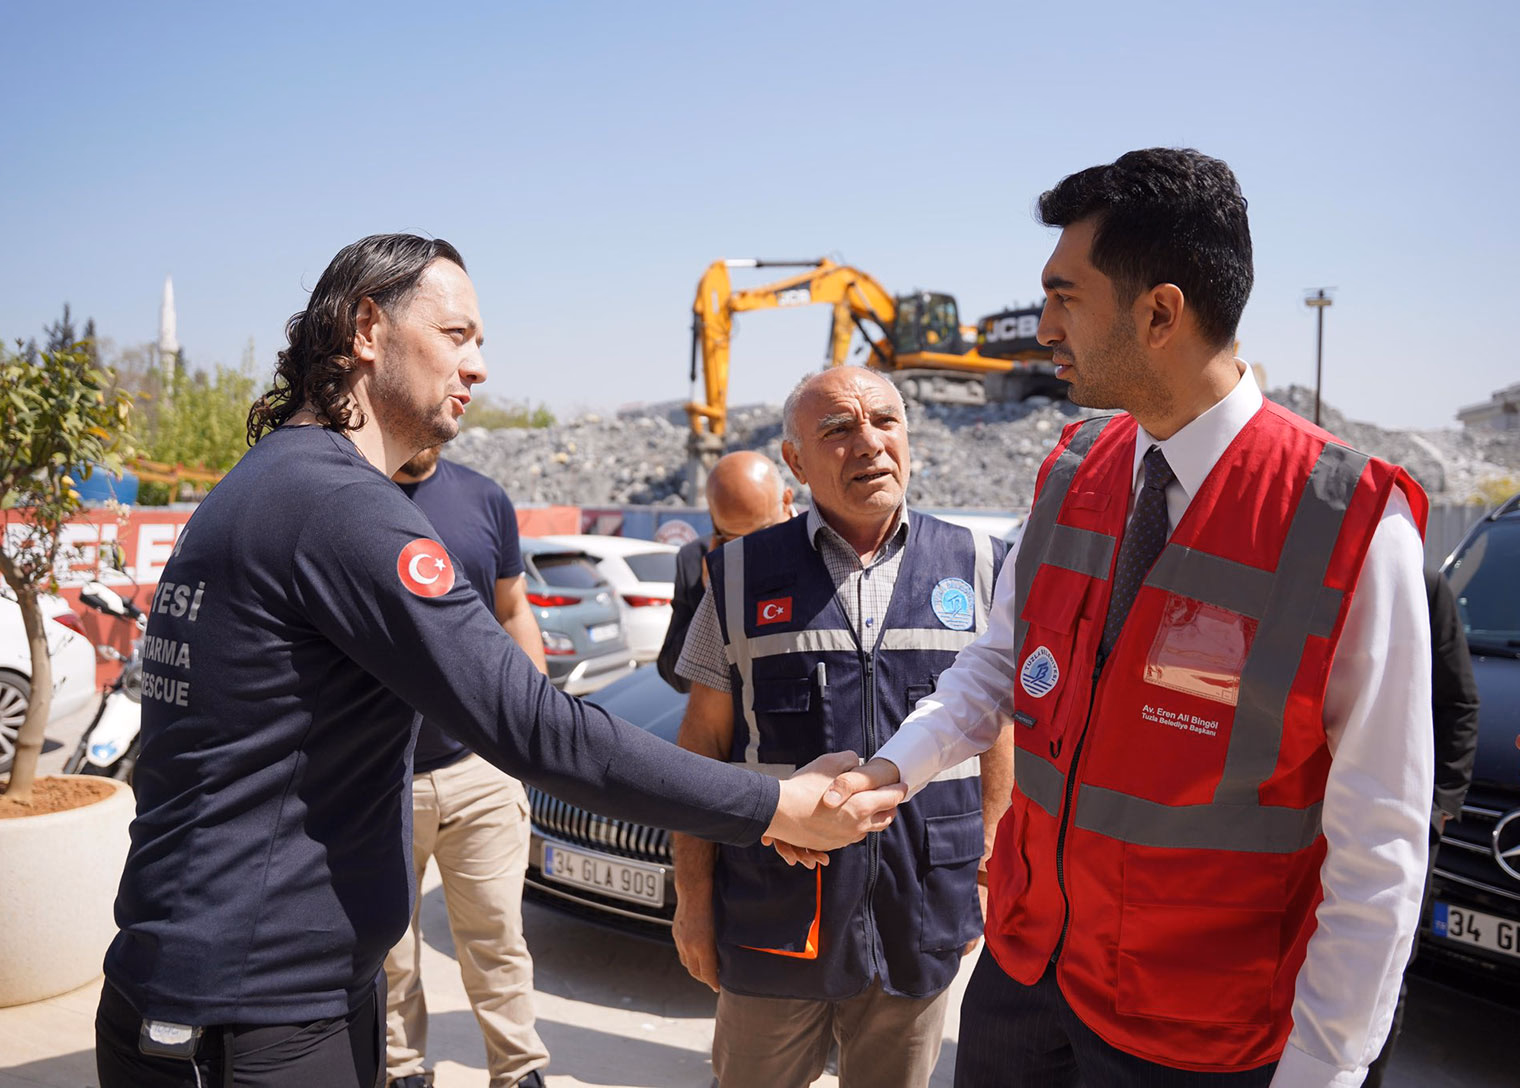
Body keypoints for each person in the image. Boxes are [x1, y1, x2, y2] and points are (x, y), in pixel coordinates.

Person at [93, 234, 906, 1088]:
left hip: (263, 1000)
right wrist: (776, 805)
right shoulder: (339, 506)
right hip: (248, 1021)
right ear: (367, 327)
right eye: (456, 334)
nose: (477, 365)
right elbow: (537, 727)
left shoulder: (280, 484)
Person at [817, 149, 1435, 1087]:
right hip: (1029, 982)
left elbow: (1381, 839)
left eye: (1065, 297)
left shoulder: (1347, 524)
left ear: (1160, 313)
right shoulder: (1075, 471)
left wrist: (1324, 1065)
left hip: (1200, 1033)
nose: (1045, 327)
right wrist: (892, 770)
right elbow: (997, 665)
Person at [672, 365, 1015, 1088]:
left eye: (885, 422)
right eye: (838, 429)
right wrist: (694, 904)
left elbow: (995, 730)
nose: (869, 443)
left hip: (920, 914)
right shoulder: (735, 576)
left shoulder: (981, 565)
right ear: (795, 460)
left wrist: (988, 864)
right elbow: (700, 747)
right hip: (775, 918)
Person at [383, 444, 549, 1088]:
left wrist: (532, 717)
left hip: (479, 768)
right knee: (390, 949)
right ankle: (401, 1071)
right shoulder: (349, 497)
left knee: (497, 937)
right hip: (378, 779)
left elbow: (512, 610)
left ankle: (518, 1071)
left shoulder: (485, 498)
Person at [1364, 567, 1480, 1086]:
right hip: (1317, 815)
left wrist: (1439, 809)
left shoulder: (1422, 583)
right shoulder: (1310, 565)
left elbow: (1460, 703)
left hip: (1404, 823)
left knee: (1386, 970)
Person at [657, 451, 796, 693]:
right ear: (714, 520)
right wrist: (712, 600)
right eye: (734, 537)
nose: (749, 549)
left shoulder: (820, 545)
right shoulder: (695, 561)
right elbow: (677, 677)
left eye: (761, 533)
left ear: (786, 500)